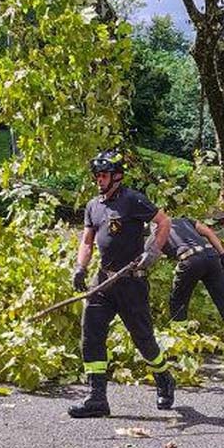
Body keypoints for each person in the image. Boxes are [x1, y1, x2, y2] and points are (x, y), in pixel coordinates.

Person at [69, 149, 175, 418]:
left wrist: (153, 252)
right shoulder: (94, 206)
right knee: (91, 334)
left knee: (143, 340)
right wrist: (80, 267)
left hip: (131, 283)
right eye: (96, 175)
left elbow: (164, 222)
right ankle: (96, 398)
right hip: (103, 281)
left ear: (116, 176)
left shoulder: (133, 201)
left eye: (103, 175)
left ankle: (164, 378)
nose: (98, 180)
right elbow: (87, 241)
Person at [163, 217, 224, 364]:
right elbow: (208, 232)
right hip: (211, 257)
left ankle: (179, 351)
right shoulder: (184, 221)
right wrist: (223, 255)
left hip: (190, 260)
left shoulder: (156, 229)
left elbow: (152, 253)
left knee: (178, 304)